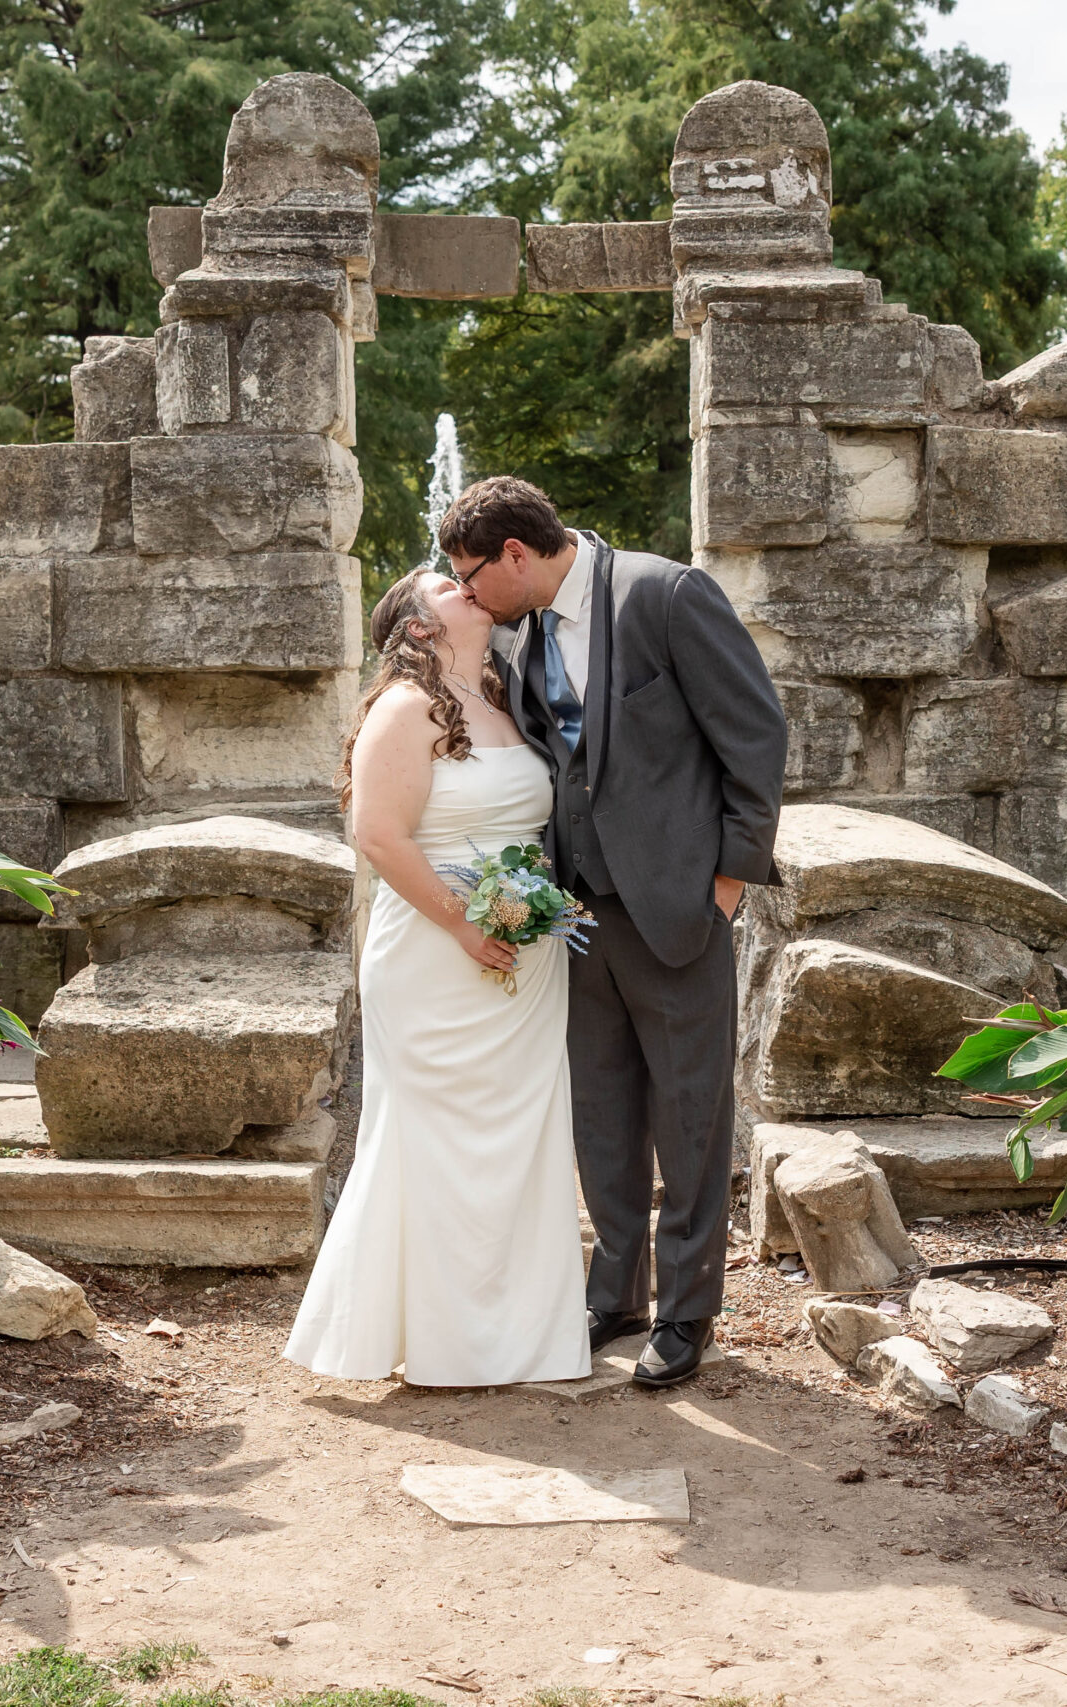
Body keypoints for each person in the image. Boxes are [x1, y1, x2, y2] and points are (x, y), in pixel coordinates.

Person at [441, 477, 788, 1389]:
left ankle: (686, 1312)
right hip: (578, 915)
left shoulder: (665, 594)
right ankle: (616, 1293)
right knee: (602, 1117)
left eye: (472, 576)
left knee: (690, 1119)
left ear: (516, 554)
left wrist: (726, 885)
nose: (468, 595)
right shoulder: (518, 636)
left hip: (680, 911)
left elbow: (756, 737)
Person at [283, 568, 592, 1386]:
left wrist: (530, 908)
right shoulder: (404, 708)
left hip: (527, 955)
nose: (468, 587)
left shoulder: (503, 693)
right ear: (419, 628)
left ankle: (522, 1336)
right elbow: (378, 835)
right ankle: (437, 1337)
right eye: (449, 587)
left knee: (520, 1139)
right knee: (434, 1139)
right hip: (432, 948)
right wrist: (461, 921)